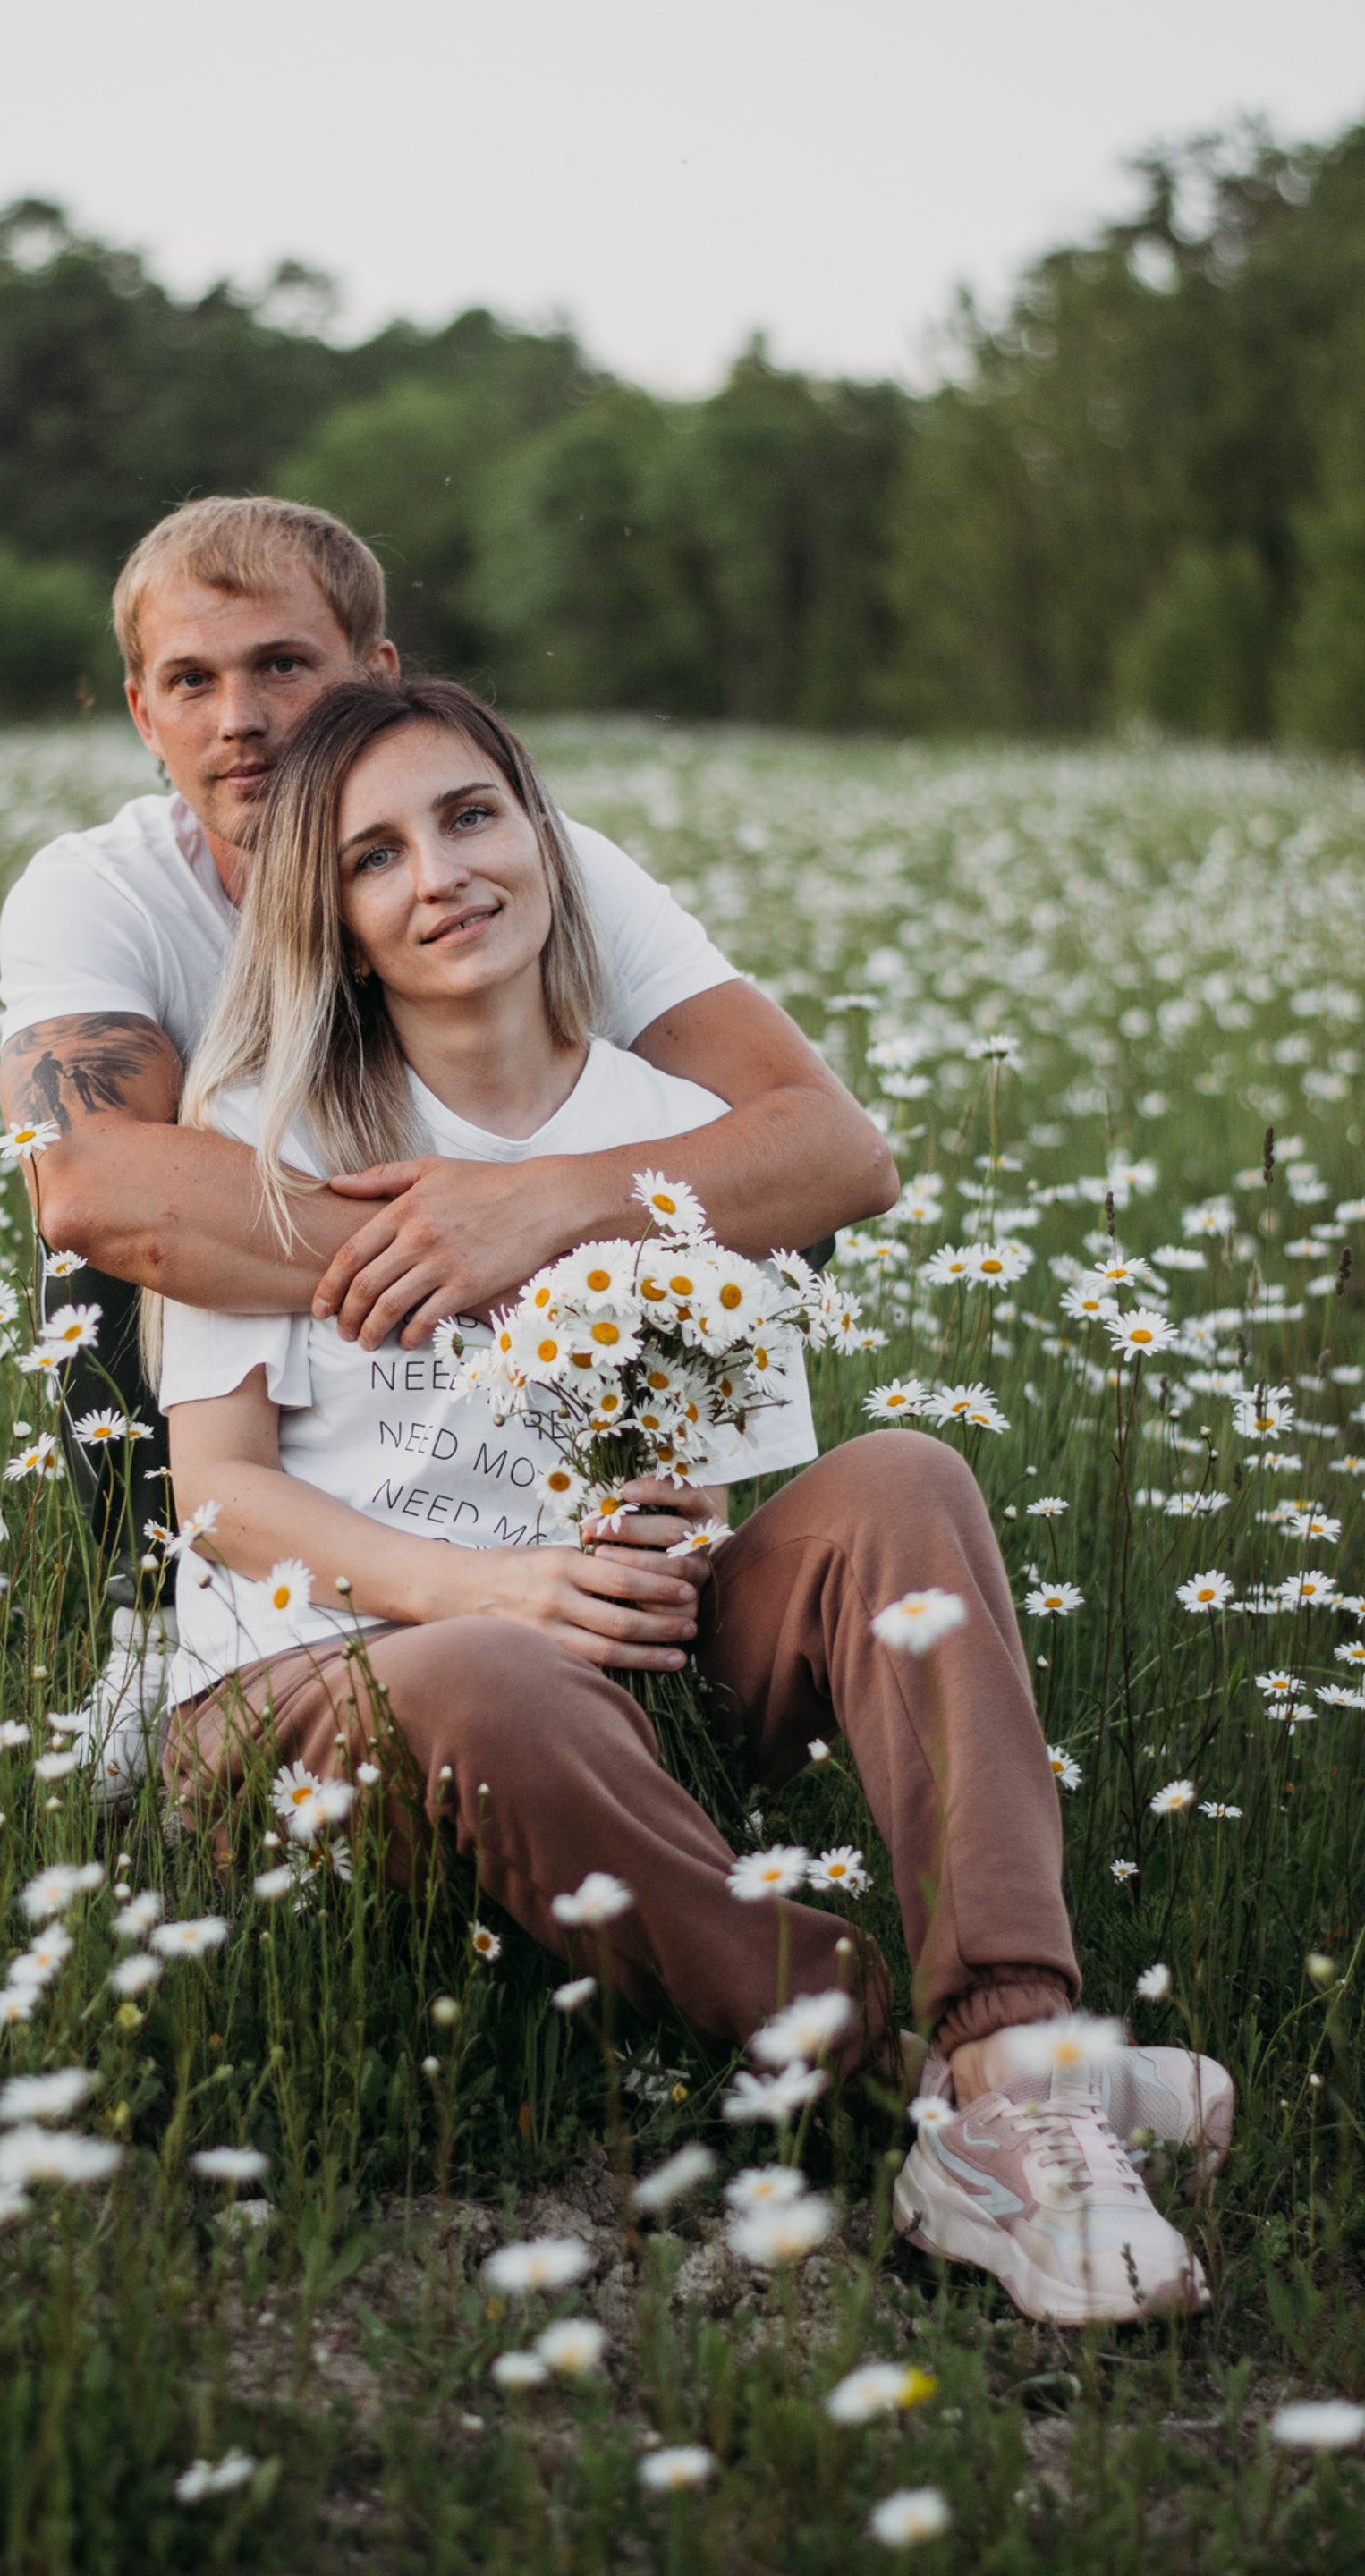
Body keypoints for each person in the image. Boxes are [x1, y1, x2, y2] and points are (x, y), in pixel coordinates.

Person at [148, 671, 1232, 2328]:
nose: (438, 876)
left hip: (592, 1688)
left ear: (548, 839)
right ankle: (879, 2060)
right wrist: (486, 1586)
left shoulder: (680, 1143)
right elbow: (217, 1496)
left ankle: (1012, 2048)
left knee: (902, 1479)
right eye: (376, 857)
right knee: (493, 1667)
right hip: (311, 1692)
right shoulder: (269, 1131)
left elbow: (702, 1492)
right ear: (336, 915)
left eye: (469, 816)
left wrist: (631, 1543)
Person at [0, 497, 894, 1785]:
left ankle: (627, 1569)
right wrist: (465, 1258)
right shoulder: (102, 889)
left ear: (375, 676)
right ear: (143, 715)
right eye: (191, 681)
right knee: (114, 1235)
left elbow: (834, 1157)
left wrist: (542, 1211)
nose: (238, 719)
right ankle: (158, 1621)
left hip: (485, 1384)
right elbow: (87, 1188)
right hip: (270, 1378)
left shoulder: (507, 859)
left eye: (282, 667)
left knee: (734, 1193)